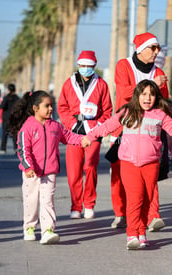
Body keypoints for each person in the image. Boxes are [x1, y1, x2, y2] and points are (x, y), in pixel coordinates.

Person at [82, 79, 172, 249]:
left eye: (152, 94)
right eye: (144, 94)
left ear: (156, 97)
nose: (148, 98)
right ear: (137, 96)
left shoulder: (160, 115)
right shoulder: (127, 112)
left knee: (146, 199)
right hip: (129, 164)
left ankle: (142, 232)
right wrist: (90, 137)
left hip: (151, 164)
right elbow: (107, 126)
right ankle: (132, 235)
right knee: (135, 198)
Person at [110, 32, 169, 231]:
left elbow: (164, 102)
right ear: (140, 49)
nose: (156, 52)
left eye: (158, 48)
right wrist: (153, 86)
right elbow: (124, 91)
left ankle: (154, 215)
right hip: (123, 128)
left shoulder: (158, 71)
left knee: (150, 173)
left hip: (149, 131)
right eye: (153, 48)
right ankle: (120, 213)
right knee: (118, 173)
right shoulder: (123, 65)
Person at [10, 90, 84, 244]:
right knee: (31, 201)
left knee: (47, 200)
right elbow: (23, 150)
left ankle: (48, 231)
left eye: (52, 105)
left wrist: (83, 140)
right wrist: (28, 167)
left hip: (50, 172)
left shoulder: (55, 126)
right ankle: (29, 227)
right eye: (47, 106)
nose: (51, 109)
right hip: (31, 173)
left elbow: (69, 136)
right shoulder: (27, 127)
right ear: (36, 108)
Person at [57, 50, 112, 219]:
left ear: (94, 66)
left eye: (89, 66)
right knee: (73, 172)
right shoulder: (68, 84)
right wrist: (73, 124)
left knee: (90, 167)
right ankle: (76, 206)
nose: (86, 68)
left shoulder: (102, 84)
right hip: (73, 133)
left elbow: (107, 111)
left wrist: (93, 127)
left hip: (93, 133)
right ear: (78, 65)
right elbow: (62, 107)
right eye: (83, 65)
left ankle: (89, 204)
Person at [0, 83, 19, 154]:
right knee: (15, 134)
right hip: (15, 118)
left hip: (6, 118)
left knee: (5, 133)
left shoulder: (6, 97)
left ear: (8, 90)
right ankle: (16, 148)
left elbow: (1, 106)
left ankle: (3, 149)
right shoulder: (17, 98)